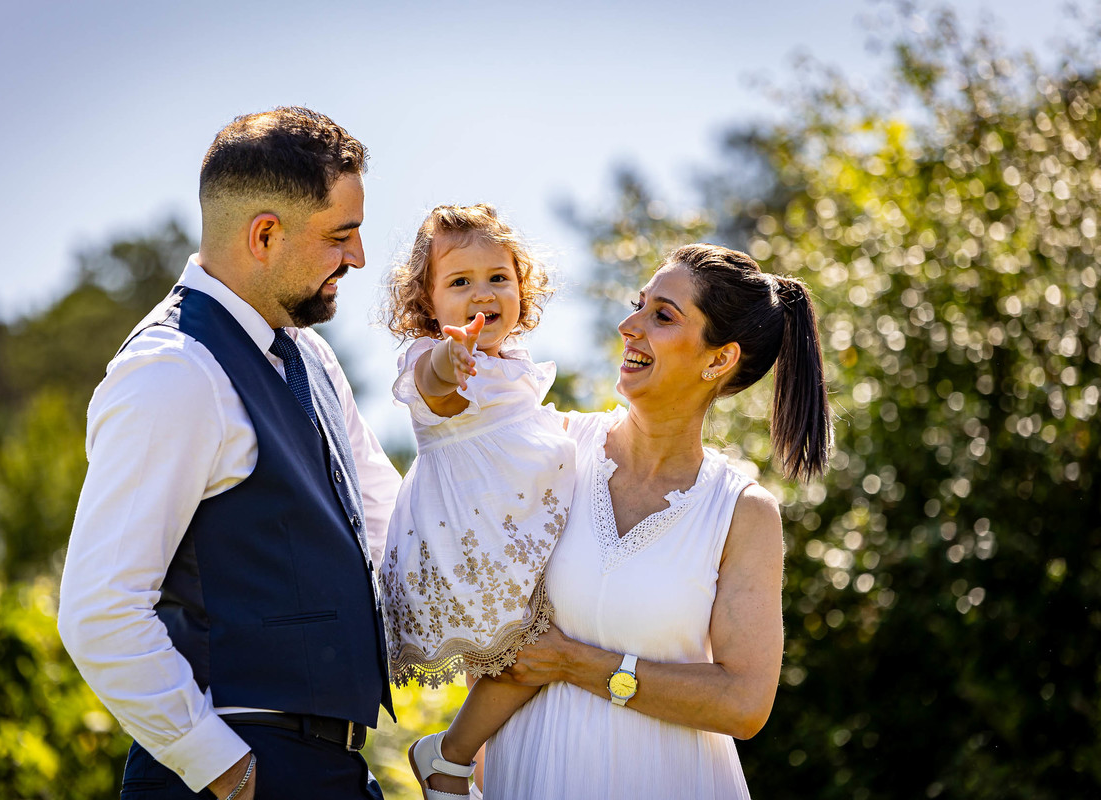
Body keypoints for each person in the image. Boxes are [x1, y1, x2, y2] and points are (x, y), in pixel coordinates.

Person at [57, 107, 402, 800]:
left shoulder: (311, 358)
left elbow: (393, 529)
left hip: (332, 769)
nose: (359, 257)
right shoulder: (174, 369)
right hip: (233, 771)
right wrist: (225, 769)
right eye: (341, 235)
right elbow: (100, 609)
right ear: (264, 234)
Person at [481, 243, 832, 799]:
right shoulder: (553, 449)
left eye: (662, 316)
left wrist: (576, 664)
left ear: (719, 359)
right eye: (637, 305)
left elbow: (743, 704)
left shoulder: (742, 512)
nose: (629, 326)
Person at [377, 204, 573, 799]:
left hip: (515, 533)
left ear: (522, 288)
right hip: (472, 546)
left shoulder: (514, 368)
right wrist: (450, 358)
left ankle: (471, 768)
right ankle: (448, 757)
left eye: (498, 278)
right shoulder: (430, 357)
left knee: (521, 667)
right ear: (427, 300)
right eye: (460, 281)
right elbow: (437, 390)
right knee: (524, 658)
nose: (483, 294)